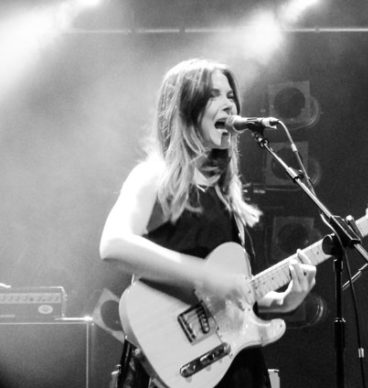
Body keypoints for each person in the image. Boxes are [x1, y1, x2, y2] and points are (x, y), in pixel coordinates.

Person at [99, 58, 317, 388]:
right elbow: (113, 245)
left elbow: (231, 299)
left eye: (231, 94)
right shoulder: (153, 176)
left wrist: (285, 300)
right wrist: (204, 274)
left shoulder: (227, 194)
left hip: (233, 367)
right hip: (172, 364)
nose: (230, 103)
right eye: (215, 94)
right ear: (186, 107)